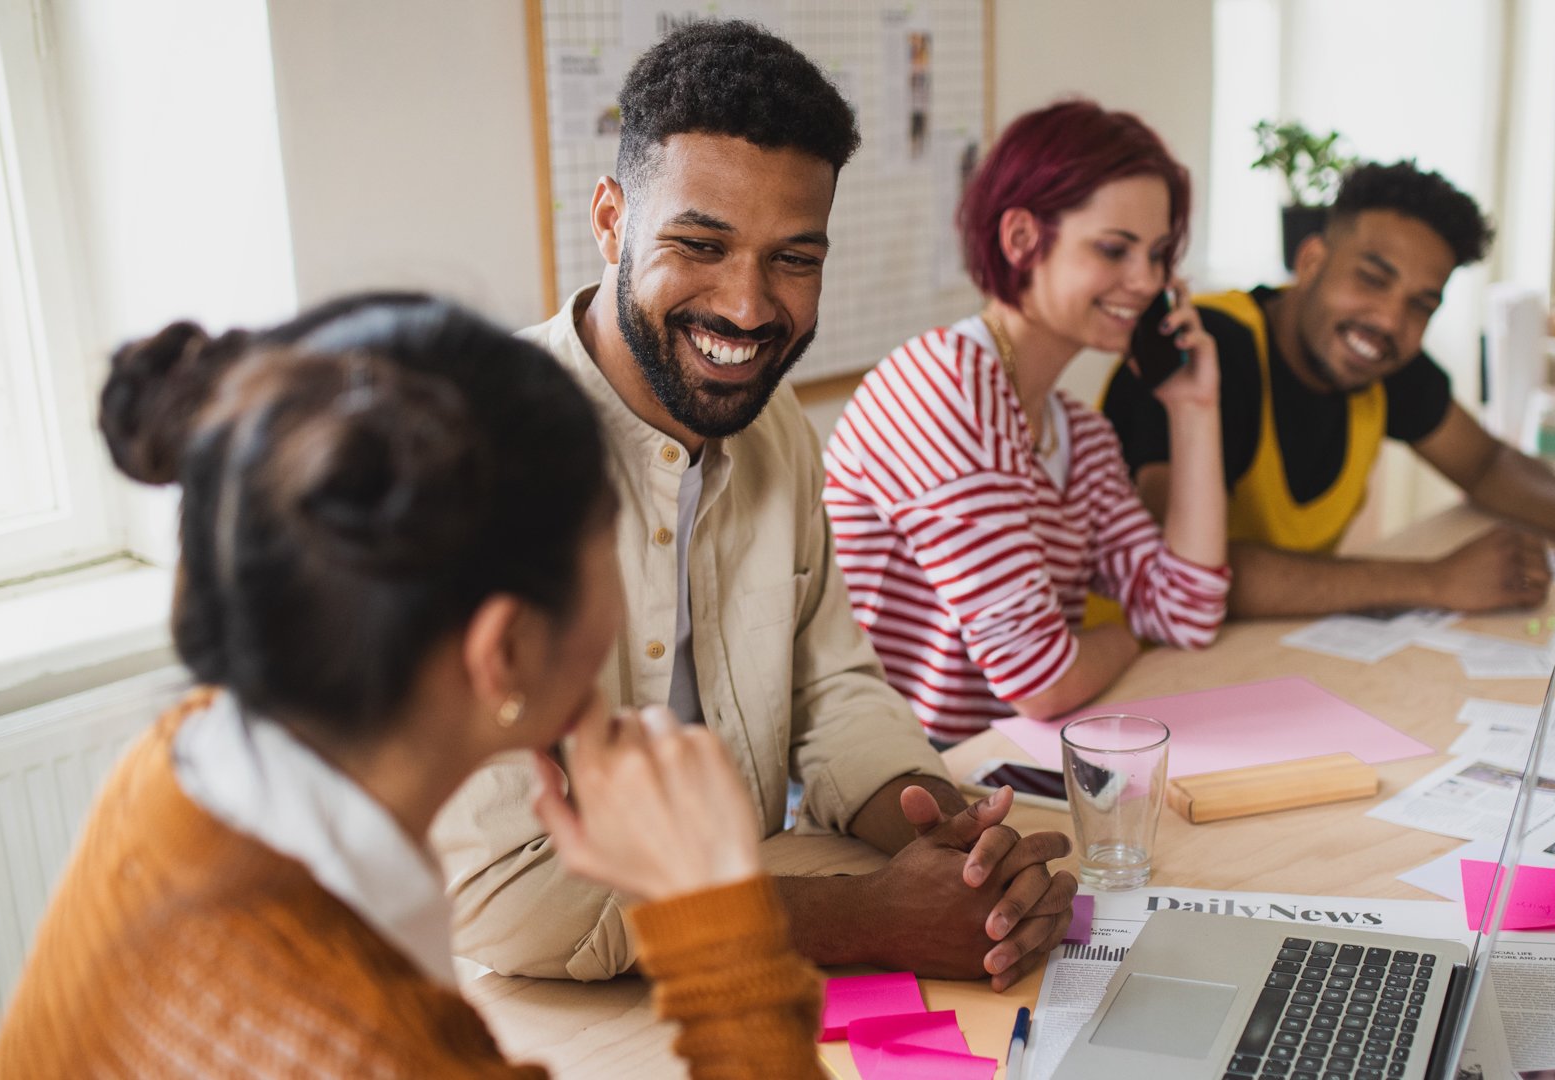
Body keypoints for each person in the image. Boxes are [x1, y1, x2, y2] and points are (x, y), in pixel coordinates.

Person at [0, 295, 823, 1077]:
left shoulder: (188, 760)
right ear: (505, 650)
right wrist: (716, 922)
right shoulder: (367, 1043)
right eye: (613, 534)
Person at [431, 20, 1076, 992]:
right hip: (518, 1014)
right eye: (701, 243)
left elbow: (833, 690)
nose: (747, 306)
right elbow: (510, 900)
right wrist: (863, 916)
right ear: (610, 220)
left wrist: (941, 834)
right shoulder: (461, 460)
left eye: (794, 258)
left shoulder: (772, 432)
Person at [1101, 161, 1555, 617]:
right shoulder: (1207, 352)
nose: (1387, 320)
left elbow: (1485, 463)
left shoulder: (1382, 363)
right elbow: (1188, 572)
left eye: (1420, 305)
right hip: (1127, 692)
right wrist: (1433, 581)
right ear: (1310, 260)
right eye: (1372, 279)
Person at [823, 100, 1229, 742]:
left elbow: (1188, 612)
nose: (1148, 281)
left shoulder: (1077, 433)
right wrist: (1127, 635)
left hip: (1000, 775)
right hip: (888, 789)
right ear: (1021, 240)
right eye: (1114, 249)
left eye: (1158, 254)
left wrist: (1193, 407)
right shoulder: (945, 388)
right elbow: (1041, 684)